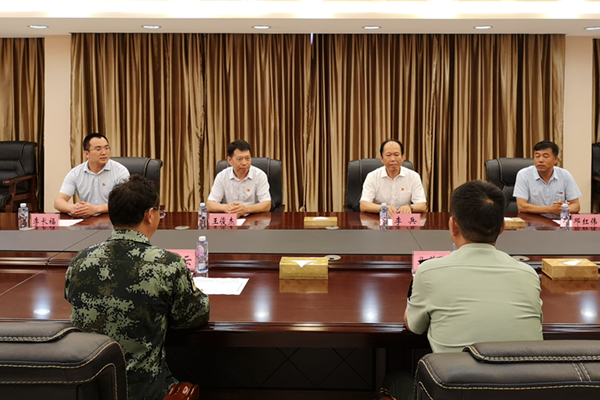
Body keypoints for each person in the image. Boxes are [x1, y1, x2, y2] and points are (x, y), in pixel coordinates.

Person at [379, 180, 543, 400]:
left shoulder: (429, 271)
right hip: (521, 394)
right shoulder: (529, 274)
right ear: (502, 227)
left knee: (394, 379)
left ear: (453, 225)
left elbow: (414, 327)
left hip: (455, 393)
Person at [65, 175, 210, 400]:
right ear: (150, 215)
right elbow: (195, 315)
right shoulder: (167, 264)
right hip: (146, 392)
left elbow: (70, 297)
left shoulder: (81, 260)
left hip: (88, 390)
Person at [54, 133, 130, 217]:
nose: (104, 152)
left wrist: (96, 209)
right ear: (87, 154)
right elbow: (58, 202)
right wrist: (73, 208)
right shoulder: (75, 173)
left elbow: (125, 202)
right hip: (87, 221)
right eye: (98, 149)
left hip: (113, 219)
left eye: (106, 148)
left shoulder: (120, 171)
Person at [513, 140, 581, 216]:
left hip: (557, 222)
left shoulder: (565, 175)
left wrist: (562, 209)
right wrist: (550, 210)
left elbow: (576, 205)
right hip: (532, 221)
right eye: (537, 156)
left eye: (545, 156)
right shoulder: (523, 175)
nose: (540, 160)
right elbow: (522, 206)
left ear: (555, 160)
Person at [360, 139, 427, 215]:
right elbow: (363, 205)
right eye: (388, 155)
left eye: (396, 155)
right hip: (379, 219)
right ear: (381, 159)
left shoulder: (413, 176)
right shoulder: (372, 176)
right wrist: (383, 208)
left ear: (403, 157)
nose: (392, 159)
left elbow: (422, 205)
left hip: (402, 219)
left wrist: (410, 207)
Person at [207, 139, 271, 216]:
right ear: (230, 160)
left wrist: (246, 209)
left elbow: (266, 204)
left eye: (247, 158)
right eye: (239, 159)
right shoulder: (222, 176)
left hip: (254, 219)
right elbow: (210, 204)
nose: (244, 163)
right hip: (230, 219)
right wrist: (226, 207)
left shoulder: (260, 175)